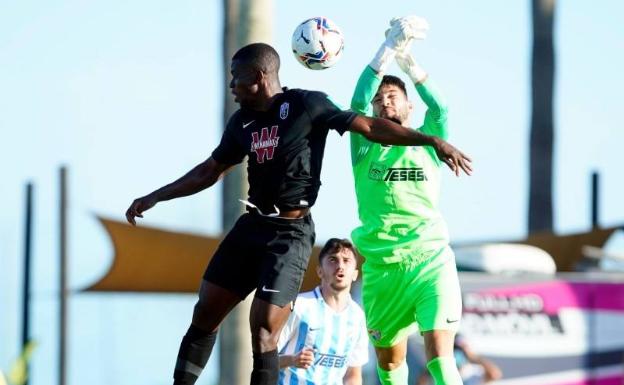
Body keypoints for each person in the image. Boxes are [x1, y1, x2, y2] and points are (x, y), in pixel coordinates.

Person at [125, 39, 470, 385]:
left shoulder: (308, 104)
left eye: (237, 77)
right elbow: (209, 170)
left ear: (259, 76)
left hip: (290, 234)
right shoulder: (241, 123)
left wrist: (431, 140)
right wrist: (157, 195)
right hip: (252, 225)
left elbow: (369, 126)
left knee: (263, 331)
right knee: (205, 312)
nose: (232, 85)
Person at [348, 16, 471, 385]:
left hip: (430, 259)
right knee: (389, 364)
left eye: (393, 97)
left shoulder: (429, 139)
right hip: (383, 268)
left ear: (408, 107)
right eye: (379, 99)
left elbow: (442, 109)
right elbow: (355, 101)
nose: (385, 102)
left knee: (439, 352)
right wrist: (385, 51)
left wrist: (410, 64)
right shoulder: (364, 146)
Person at [277, 238, 368, 385]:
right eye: (333, 260)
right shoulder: (299, 306)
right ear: (320, 271)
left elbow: (353, 374)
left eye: (346, 260)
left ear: (355, 274)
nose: (340, 266)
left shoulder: (358, 317)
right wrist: (292, 359)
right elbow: (264, 360)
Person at [416, 334, 503, 385]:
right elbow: (421, 382)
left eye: (459, 350)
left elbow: (494, 374)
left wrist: (471, 356)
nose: (457, 353)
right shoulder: (436, 374)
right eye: (454, 349)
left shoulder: (473, 373)